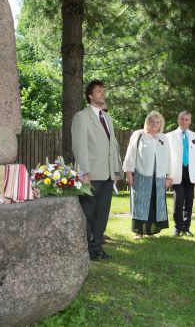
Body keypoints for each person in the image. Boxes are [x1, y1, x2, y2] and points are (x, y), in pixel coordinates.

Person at [71, 80, 122, 261]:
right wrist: (84, 171)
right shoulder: (82, 117)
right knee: (89, 214)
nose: (102, 93)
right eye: (98, 91)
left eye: (103, 90)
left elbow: (113, 146)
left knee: (102, 213)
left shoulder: (107, 118)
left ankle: (98, 248)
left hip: (107, 174)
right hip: (91, 174)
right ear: (90, 96)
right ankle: (87, 249)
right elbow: (79, 147)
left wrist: (115, 171)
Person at [123, 111, 172, 238]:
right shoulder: (138, 135)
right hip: (141, 176)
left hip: (158, 178)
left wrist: (169, 176)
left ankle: (151, 231)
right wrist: (129, 174)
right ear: (147, 122)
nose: (154, 124)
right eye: (152, 121)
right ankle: (139, 232)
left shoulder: (163, 138)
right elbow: (130, 155)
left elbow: (168, 158)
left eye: (157, 122)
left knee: (154, 204)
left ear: (161, 124)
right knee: (140, 204)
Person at [166, 111, 195, 237]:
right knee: (179, 200)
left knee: (189, 201)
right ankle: (177, 227)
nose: (184, 121)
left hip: (190, 172)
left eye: (187, 119)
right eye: (182, 119)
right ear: (178, 120)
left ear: (190, 121)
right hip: (176, 172)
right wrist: (168, 175)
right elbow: (167, 158)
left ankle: (186, 227)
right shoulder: (170, 136)